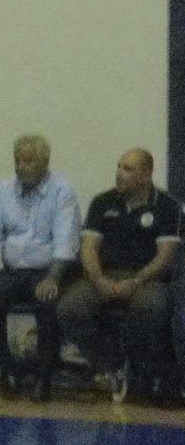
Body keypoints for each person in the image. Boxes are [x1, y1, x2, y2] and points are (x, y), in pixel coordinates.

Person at [56, 147, 181, 401]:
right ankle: (111, 364)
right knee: (69, 308)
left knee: (153, 306)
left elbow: (164, 256)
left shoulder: (168, 206)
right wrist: (99, 279)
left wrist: (136, 281)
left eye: (128, 169)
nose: (119, 173)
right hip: (105, 274)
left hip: (146, 278)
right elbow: (88, 248)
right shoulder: (102, 202)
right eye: (119, 167)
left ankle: (138, 367)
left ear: (146, 175)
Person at [0, 134, 81, 401]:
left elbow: (66, 240)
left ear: (45, 162)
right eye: (17, 161)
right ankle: (4, 368)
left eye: (28, 161)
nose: (21, 167)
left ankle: (44, 376)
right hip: (13, 271)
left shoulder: (62, 191)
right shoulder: (3, 190)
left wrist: (53, 278)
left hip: (49, 272)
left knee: (48, 302)